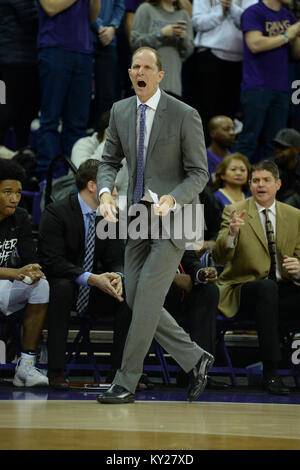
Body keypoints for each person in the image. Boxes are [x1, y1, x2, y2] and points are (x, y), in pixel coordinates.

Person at [96, 46, 214, 404]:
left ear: (160, 75)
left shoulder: (184, 114)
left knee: (146, 293)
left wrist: (173, 198)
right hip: (137, 217)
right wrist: (104, 192)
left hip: (176, 216)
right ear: (130, 73)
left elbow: (199, 173)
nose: (140, 71)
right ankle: (196, 358)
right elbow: (108, 160)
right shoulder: (119, 110)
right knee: (134, 297)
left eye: (147, 67)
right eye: (135, 66)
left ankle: (125, 381)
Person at [212, 160, 300, 395]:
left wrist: (299, 269)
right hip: (244, 290)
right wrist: (231, 233)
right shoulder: (235, 210)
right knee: (266, 288)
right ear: (250, 184)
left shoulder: (295, 215)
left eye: (266, 180)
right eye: (256, 181)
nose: (261, 185)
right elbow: (219, 255)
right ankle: (271, 373)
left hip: (283, 291)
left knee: (274, 290)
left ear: (278, 184)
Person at [38, 159, 126, 390]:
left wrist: (117, 276)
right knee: (62, 288)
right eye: (111, 186)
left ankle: (119, 374)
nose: (115, 192)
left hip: (96, 287)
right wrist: (89, 277)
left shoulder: (110, 215)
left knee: (126, 296)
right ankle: (56, 371)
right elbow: (52, 261)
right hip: (66, 283)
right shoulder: (57, 212)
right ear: (93, 186)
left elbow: (117, 258)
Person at [36, 0, 101, 180]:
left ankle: (74, 177)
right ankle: (47, 178)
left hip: (84, 51)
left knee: (77, 124)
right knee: (50, 119)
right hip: (54, 48)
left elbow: (93, 16)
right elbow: (50, 8)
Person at [0, 159, 49, 387]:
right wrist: (15, 272)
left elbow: (30, 258)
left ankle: (26, 368)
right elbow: (16, 272)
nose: (14, 198)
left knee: (42, 286)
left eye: (18, 193)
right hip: (7, 278)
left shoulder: (20, 217)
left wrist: (34, 270)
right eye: (7, 192)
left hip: (6, 285)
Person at [235, 0, 300, 163]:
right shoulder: (254, 12)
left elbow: (297, 53)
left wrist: (296, 37)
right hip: (257, 86)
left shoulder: (288, 16)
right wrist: (287, 36)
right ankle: (237, 185)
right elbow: (255, 44)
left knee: (274, 145)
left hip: (282, 88)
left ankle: (267, 184)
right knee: (248, 139)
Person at [192, 0, 257, 141]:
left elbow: (251, 21)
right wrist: (221, 11)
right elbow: (197, 22)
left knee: (230, 116)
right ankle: (206, 157)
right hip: (209, 54)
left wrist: (231, 8)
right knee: (206, 114)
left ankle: (226, 160)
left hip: (239, 59)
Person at [0, 0, 40, 158]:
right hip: (14, 59)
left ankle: (21, 154)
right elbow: (32, 17)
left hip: (17, 57)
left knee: (23, 110)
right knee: (10, 105)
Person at [130, 0, 194, 99]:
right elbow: (135, 44)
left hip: (173, 83)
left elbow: (189, 51)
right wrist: (161, 34)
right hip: (145, 82)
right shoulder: (146, 9)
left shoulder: (183, 14)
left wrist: (183, 38)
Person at [90, 0, 125, 127]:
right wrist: (98, 26)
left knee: (107, 95)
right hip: (85, 38)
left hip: (109, 40)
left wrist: (113, 27)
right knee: (81, 94)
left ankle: (100, 136)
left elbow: (120, 6)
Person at [273, 128, 300, 209]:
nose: (278, 150)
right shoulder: (268, 169)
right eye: (276, 146)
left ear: (296, 150)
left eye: (283, 147)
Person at [206, 115, 236, 182]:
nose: (232, 133)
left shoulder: (236, 159)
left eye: (233, 129)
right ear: (212, 133)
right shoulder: (203, 160)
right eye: (226, 129)